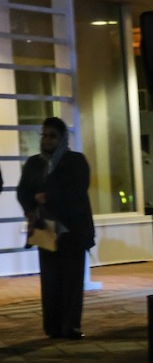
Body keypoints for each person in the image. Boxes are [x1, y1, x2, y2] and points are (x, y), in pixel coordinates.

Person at [16, 117, 95, 339]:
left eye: (52, 136)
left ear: (62, 139)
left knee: (71, 279)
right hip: (45, 226)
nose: (47, 140)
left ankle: (70, 326)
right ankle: (52, 326)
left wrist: (47, 196)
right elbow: (23, 191)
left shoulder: (75, 161)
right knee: (50, 280)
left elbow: (77, 189)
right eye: (44, 135)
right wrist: (30, 208)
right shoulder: (34, 163)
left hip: (71, 228)